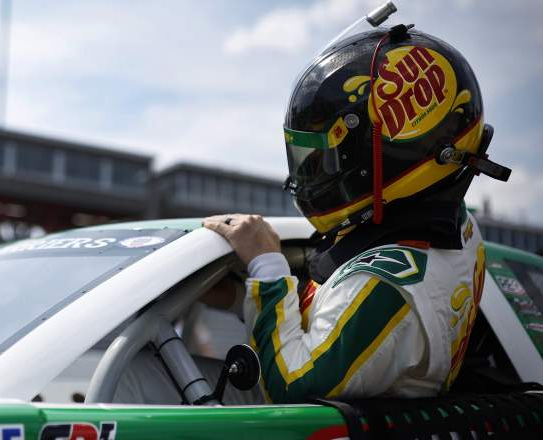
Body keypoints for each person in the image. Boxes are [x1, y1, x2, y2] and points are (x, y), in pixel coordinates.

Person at [203, 25, 511, 404]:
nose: (310, 174)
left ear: (376, 155)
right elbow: (334, 321)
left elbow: (291, 386)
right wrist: (235, 296)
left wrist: (268, 268)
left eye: (323, 157)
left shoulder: (385, 285)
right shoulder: (451, 226)